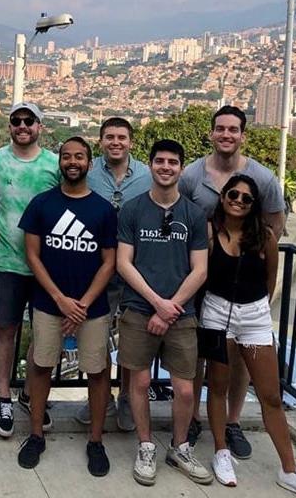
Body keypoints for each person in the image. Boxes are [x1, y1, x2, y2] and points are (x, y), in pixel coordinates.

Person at [203, 175, 296, 497]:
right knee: (217, 386)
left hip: (254, 317)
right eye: (234, 194)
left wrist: (255, 310)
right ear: (223, 196)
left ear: (254, 205)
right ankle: (220, 451)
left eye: (246, 198)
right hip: (216, 313)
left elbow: (271, 280)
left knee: (270, 394)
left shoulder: (265, 237)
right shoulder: (210, 231)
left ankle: (290, 470)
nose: (239, 201)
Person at [179, 105, 285, 456]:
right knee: (196, 352)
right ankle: (193, 415)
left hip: (240, 283)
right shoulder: (192, 175)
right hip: (199, 278)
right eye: (220, 129)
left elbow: (275, 223)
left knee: (239, 357)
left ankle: (233, 421)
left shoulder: (263, 178)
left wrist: (253, 263)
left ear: (242, 135)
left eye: (233, 129)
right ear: (211, 133)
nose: (226, 135)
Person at [16, 137, 117, 475]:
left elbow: (109, 262)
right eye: (66, 156)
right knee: (41, 365)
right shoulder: (42, 204)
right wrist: (60, 298)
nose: (72, 162)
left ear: (90, 162)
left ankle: (96, 440)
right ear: (59, 162)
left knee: (99, 371)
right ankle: (35, 435)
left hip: (93, 308)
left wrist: (83, 304)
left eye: (79, 156)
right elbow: (32, 255)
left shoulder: (103, 209)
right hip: (48, 302)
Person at [116, 139, 212, 487]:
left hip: (180, 314)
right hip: (140, 309)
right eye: (160, 161)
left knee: (185, 390)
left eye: (173, 162)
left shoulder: (194, 214)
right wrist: (157, 303)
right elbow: (123, 263)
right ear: (151, 165)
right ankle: (145, 446)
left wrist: (169, 308)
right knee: (138, 383)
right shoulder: (132, 209)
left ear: (181, 168)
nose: (166, 167)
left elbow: (199, 269)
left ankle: (179, 445)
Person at [0, 102, 59, 438]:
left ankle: (31, 394)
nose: (22, 126)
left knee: (44, 333)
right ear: (10, 126)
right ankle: (4, 395)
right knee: (7, 329)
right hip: (7, 261)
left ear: (40, 126)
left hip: (48, 263)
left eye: (29, 121)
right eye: (16, 121)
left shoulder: (54, 163)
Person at [79, 116, 151, 432]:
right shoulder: (88, 171)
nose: (116, 142)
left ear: (131, 142)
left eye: (122, 137)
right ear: (101, 141)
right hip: (97, 266)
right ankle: (101, 397)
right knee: (97, 335)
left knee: (132, 337)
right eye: (109, 137)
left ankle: (126, 399)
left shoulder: (148, 175)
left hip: (136, 267)